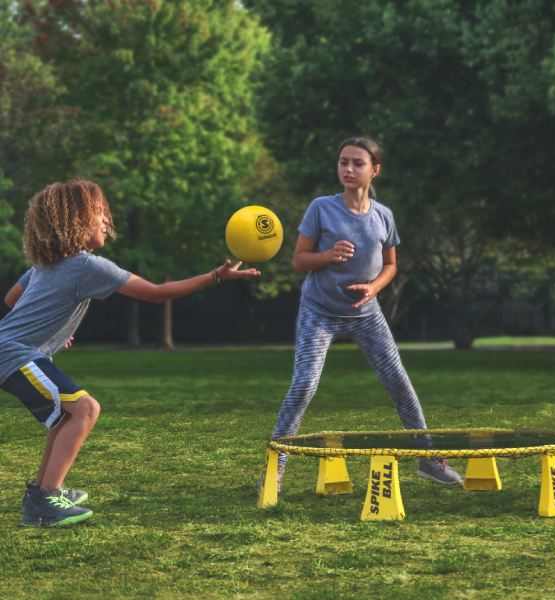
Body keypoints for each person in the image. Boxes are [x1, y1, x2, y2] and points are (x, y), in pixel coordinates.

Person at [1, 179, 261, 527]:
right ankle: (45, 503)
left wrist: (52, 332)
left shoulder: (44, 266)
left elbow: (12, 300)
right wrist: (215, 275)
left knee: (68, 414)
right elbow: (157, 293)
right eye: (99, 214)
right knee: (85, 409)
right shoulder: (87, 266)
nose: (106, 221)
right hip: (14, 355)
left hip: (13, 349)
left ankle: (43, 491)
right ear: (75, 221)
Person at [265, 137, 461, 488]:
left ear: (375, 170)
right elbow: (298, 261)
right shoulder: (321, 209)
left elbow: (390, 265)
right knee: (304, 385)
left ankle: (428, 459)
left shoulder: (384, 215)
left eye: (357, 163)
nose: (349, 169)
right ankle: (275, 465)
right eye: (343, 162)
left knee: (400, 383)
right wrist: (327, 256)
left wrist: (374, 288)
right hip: (319, 311)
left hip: (367, 314)